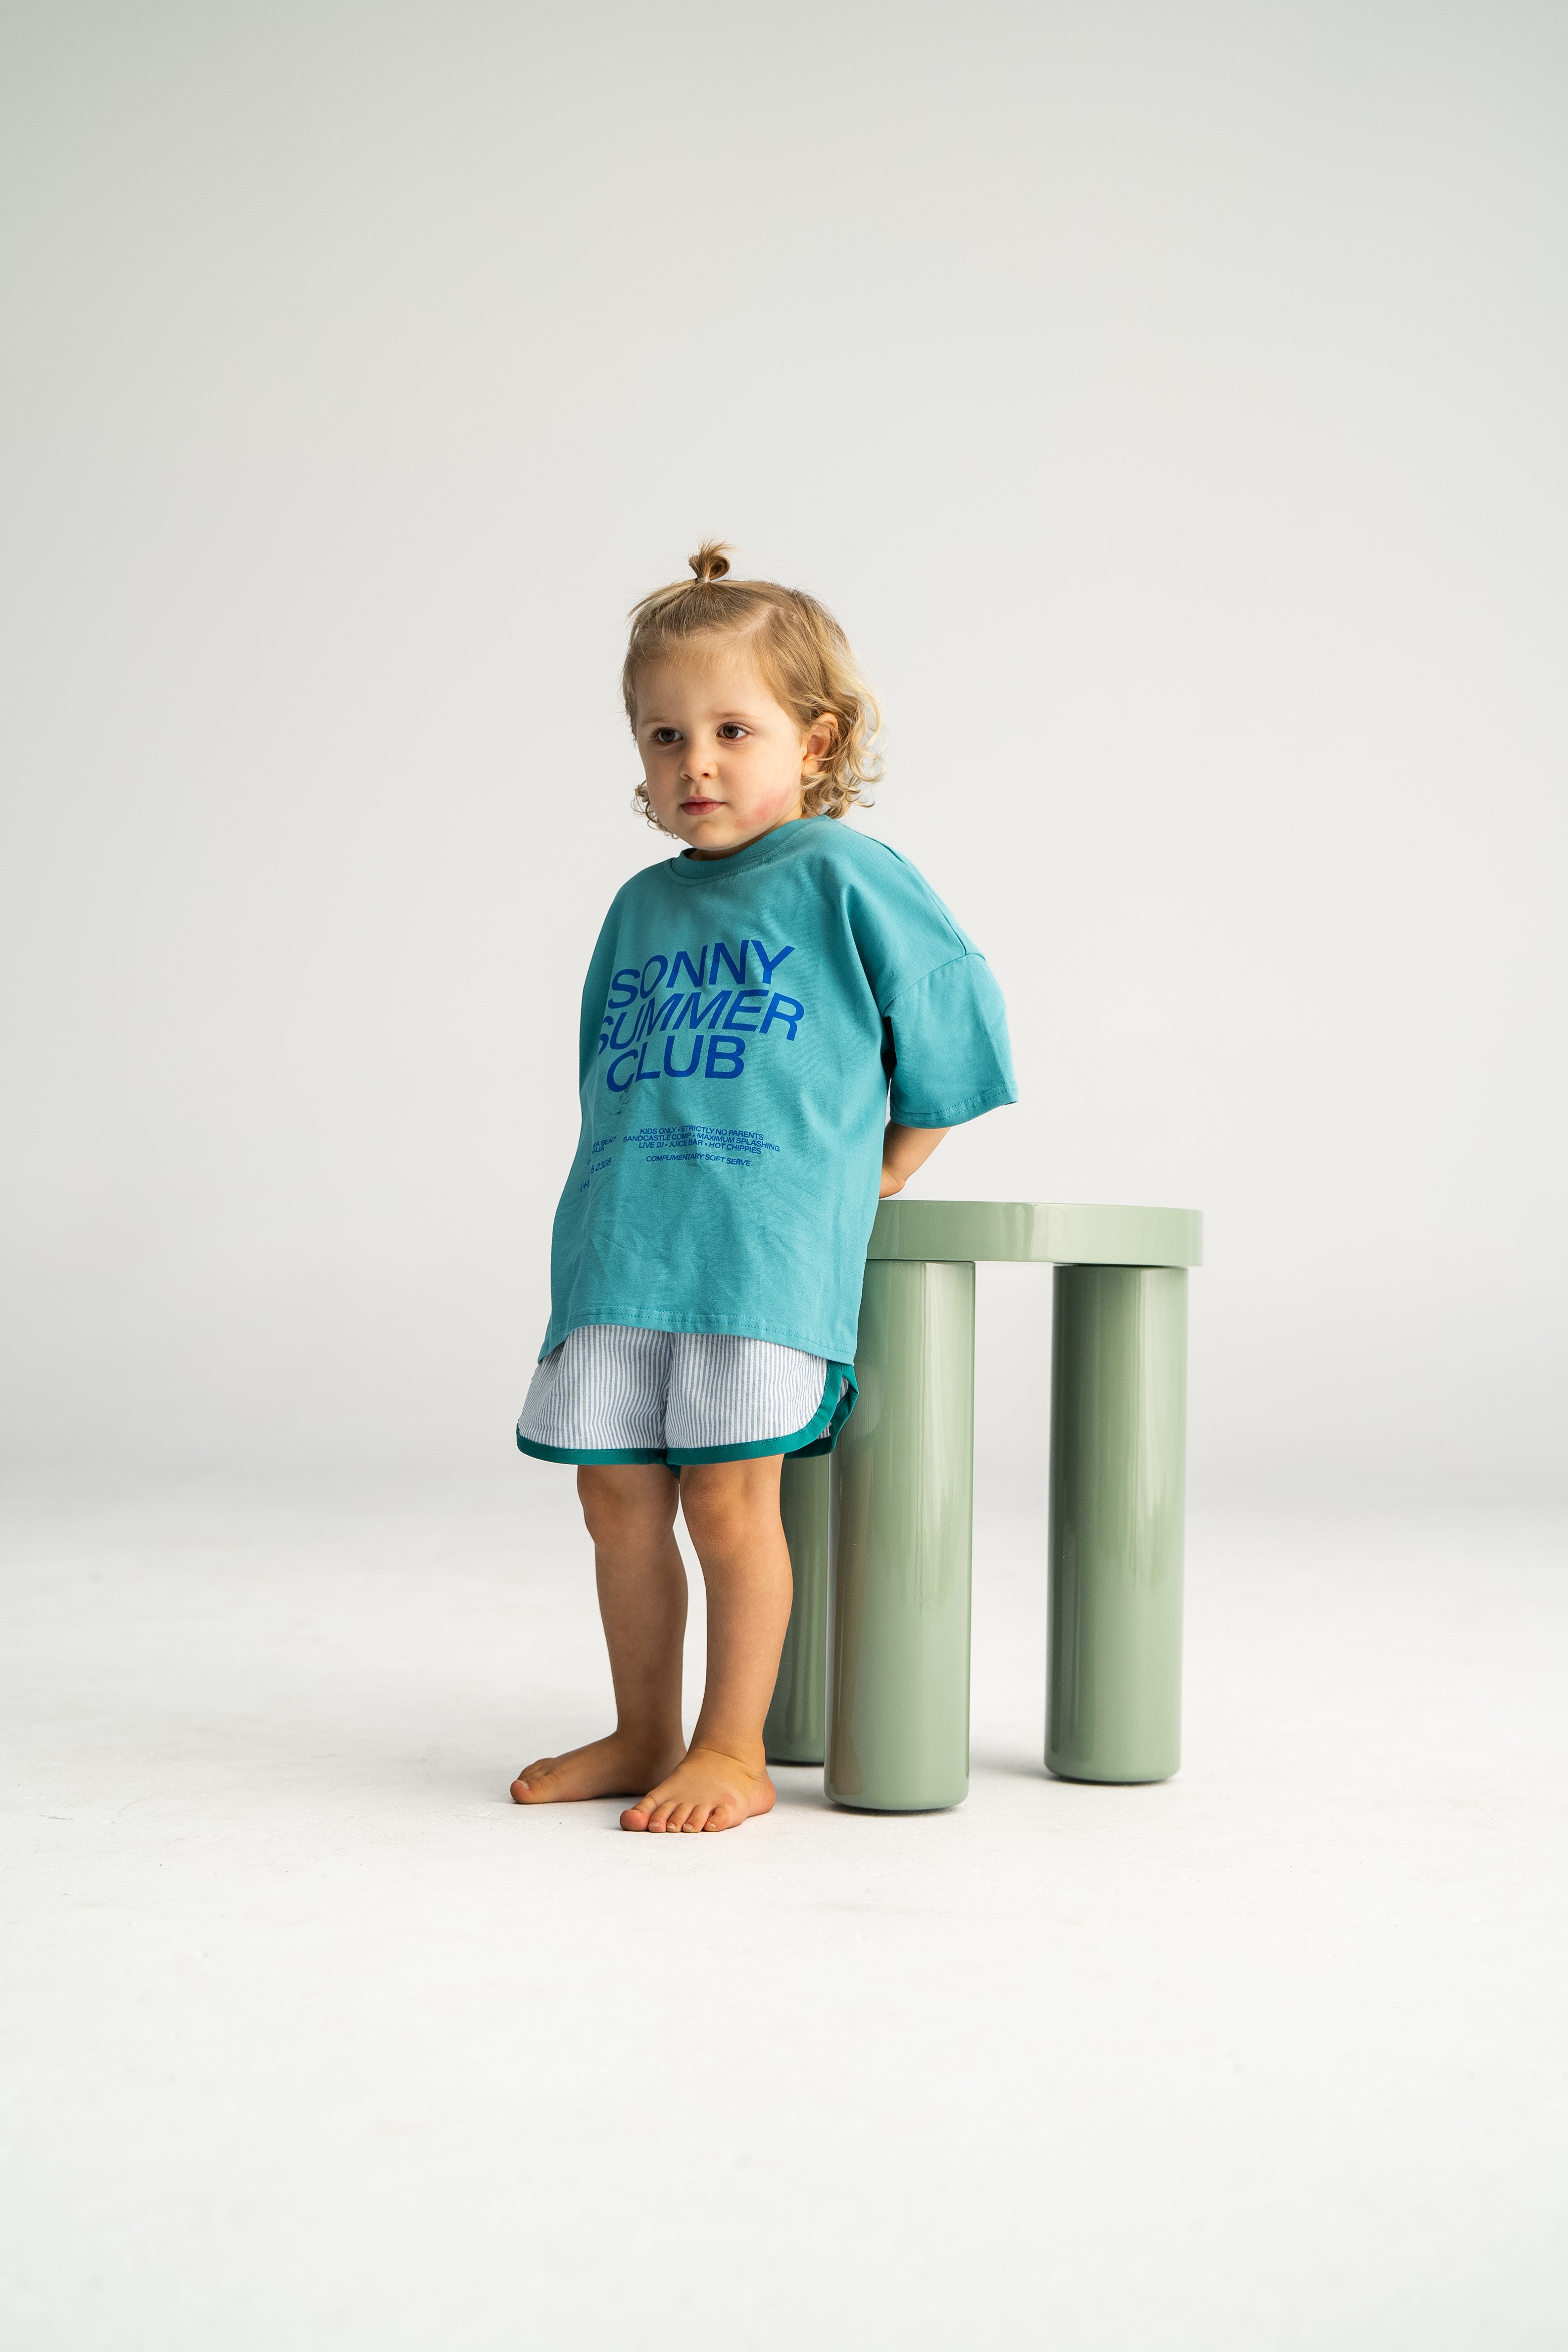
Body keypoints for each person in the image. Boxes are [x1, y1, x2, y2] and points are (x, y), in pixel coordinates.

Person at [512, 543, 1016, 1833]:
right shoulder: (635, 910)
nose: (698, 763)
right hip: (625, 1247)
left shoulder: (846, 876)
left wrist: (891, 1162)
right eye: (665, 734)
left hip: (761, 1256)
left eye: (735, 729)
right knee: (614, 1496)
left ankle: (730, 1746)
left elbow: (953, 1013)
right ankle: (641, 1729)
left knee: (731, 1499)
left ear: (817, 737)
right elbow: (604, 1082)